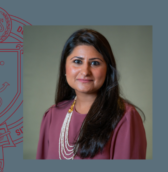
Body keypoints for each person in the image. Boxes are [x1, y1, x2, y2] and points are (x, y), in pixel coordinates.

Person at [36, 29, 147, 159]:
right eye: (77, 61)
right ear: (64, 67)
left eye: (95, 63)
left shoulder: (125, 117)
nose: (85, 71)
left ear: (108, 70)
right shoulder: (52, 116)